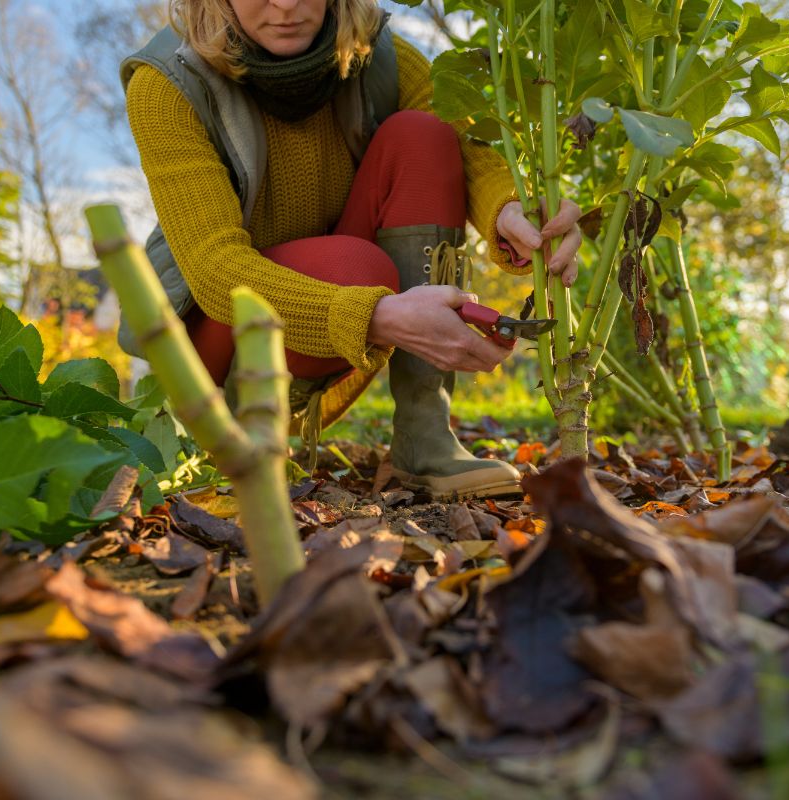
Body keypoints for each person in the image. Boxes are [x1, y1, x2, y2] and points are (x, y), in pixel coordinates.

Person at [122, 0, 583, 497]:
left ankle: (425, 435)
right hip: (219, 331)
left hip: (342, 296)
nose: (285, 4)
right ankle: (239, 432)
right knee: (354, 268)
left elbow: (465, 147)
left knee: (423, 134)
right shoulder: (167, 84)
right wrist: (377, 316)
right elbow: (214, 269)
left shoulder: (379, 55)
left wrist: (508, 212)